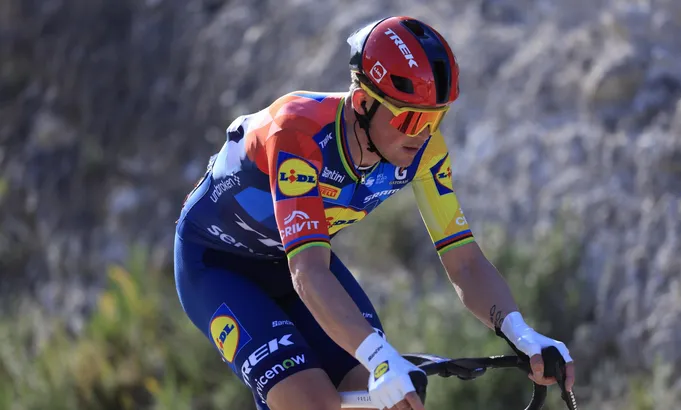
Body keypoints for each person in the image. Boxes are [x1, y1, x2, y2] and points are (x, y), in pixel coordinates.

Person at [173, 15, 575, 410]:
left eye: (436, 119)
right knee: (313, 403)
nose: (423, 134)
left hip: (295, 260)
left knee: (394, 398)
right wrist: (381, 358)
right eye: (412, 118)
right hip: (218, 265)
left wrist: (521, 333)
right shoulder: (297, 133)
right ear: (364, 102)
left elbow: (465, 263)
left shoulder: (425, 152)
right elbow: (308, 272)